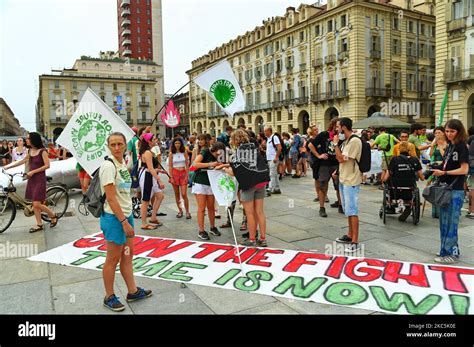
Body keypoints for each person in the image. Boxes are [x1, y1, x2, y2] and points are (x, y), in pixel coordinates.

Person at [99, 132, 152, 312]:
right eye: (112, 144)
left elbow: (124, 192)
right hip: (115, 219)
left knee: (127, 256)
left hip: (125, 215)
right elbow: (111, 199)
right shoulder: (108, 166)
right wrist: (123, 222)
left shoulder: (122, 163)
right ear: (108, 146)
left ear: (124, 145)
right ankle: (109, 296)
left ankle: (133, 291)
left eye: (119, 144)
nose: (116, 147)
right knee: (112, 260)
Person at [218, 129, 269, 247]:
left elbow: (233, 172)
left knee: (250, 213)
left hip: (249, 184)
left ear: (235, 140)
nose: (230, 140)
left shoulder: (238, 152)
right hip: (261, 181)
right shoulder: (253, 147)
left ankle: (251, 239)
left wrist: (223, 169)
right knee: (260, 212)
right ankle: (262, 238)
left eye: (231, 138)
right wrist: (227, 164)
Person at [431, 120, 469, 264]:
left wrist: (444, 172)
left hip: (455, 189)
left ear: (459, 132)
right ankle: (445, 249)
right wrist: (436, 169)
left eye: (452, 131)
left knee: (451, 223)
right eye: (447, 131)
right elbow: (446, 163)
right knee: (444, 222)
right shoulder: (450, 146)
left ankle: (451, 253)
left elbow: (464, 169)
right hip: (446, 188)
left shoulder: (461, 147)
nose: (449, 134)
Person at [4, 132, 58, 233]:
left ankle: (53, 215)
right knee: (34, 203)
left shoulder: (43, 151)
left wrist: (33, 171)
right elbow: (23, 161)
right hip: (31, 180)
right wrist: (8, 167)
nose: (26, 140)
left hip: (39, 179)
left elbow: (47, 165)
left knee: (36, 204)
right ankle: (39, 224)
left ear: (33, 139)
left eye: (28, 138)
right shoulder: (30, 150)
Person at [333, 118, 363, 253]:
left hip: (351, 180)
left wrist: (335, 145)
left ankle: (355, 241)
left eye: (338, 127)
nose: (336, 129)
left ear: (344, 127)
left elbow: (341, 158)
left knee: (352, 210)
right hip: (344, 178)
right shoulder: (347, 141)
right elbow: (343, 161)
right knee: (348, 210)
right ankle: (350, 234)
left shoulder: (355, 141)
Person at [382, 141, 425, 222]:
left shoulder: (394, 159)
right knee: (411, 188)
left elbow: (388, 174)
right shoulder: (415, 160)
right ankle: (408, 207)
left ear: (399, 149)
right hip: (409, 187)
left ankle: (390, 203)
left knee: (389, 183)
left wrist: (384, 180)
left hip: (394, 189)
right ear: (410, 150)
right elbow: (422, 177)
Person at [309, 118, 342, 217]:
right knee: (322, 186)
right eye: (337, 126)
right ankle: (322, 208)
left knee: (338, 186)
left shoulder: (340, 136)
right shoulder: (324, 134)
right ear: (332, 125)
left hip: (336, 164)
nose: (338, 128)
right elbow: (311, 145)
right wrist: (319, 155)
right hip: (325, 165)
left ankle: (341, 206)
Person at [192, 142, 223, 240]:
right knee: (201, 208)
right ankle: (201, 230)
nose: (217, 156)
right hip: (200, 182)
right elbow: (195, 164)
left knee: (211, 207)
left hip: (211, 183)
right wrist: (210, 164)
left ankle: (212, 227)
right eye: (216, 154)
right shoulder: (205, 151)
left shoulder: (220, 156)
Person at [139, 133, 165, 230]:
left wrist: (158, 171)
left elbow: (149, 167)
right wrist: (160, 180)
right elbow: (149, 168)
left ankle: (153, 218)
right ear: (149, 141)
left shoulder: (148, 152)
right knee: (145, 201)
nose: (156, 140)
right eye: (153, 139)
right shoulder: (148, 153)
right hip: (147, 177)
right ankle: (144, 223)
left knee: (160, 196)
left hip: (149, 175)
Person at [427, 126, 448, 219]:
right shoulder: (435, 143)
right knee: (434, 188)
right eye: (435, 133)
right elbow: (430, 154)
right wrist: (432, 146)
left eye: (439, 133)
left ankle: (442, 210)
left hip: (443, 168)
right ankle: (435, 211)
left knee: (442, 189)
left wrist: (439, 145)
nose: (437, 135)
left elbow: (445, 156)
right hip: (435, 167)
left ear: (443, 133)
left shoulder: (447, 144)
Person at [169, 137, 191, 219]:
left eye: (178, 143)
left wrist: (187, 175)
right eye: (175, 143)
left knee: (184, 194)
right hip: (174, 173)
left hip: (183, 173)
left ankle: (187, 211)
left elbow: (187, 165)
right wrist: (171, 176)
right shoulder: (171, 153)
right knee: (177, 194)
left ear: (181, 144)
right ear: (173, 144)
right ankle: (180, 210)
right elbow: (170, 166)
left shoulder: (184, 152)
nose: (177, 145)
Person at [264, 125, 282, 196]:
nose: (264, 132)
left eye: (265, 131)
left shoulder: (274, 137)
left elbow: (279, 148)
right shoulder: (269, 138)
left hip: (273, 159)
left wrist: (276, 157)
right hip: (270, 159)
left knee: (271, 174)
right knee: (274, 174)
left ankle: (270, 189)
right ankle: (277, 188)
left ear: (269, 131)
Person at [466, 126, 474, 219]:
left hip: (472, 167)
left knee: (472, 188)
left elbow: (468, 152)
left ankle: (472, 211)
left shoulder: (471, 138)